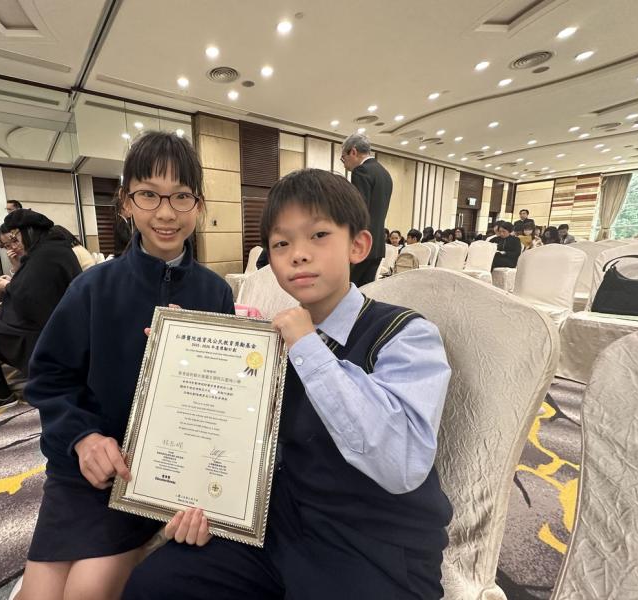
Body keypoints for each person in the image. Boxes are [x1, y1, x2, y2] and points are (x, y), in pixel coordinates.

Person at [125, 168, 453, 599]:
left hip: (376, 544)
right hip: (281, 525)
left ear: (358, 245)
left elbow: (402, 462)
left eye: (319, 235)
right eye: (281, 244)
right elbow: (239, 434)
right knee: (155, 584)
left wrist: (307, 347)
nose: (298, 254)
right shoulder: (268, 340)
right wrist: (186, 358)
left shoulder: (405, 334)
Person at [16, 131, 235, 600]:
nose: (166, 212)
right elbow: (49, 377)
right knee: (40, 594)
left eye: (181, 196)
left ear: (198, 205)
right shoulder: (93, 287)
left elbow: (225, 398)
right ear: (126, 203)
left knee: (87, 589)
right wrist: (83, 437)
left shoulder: (215, 292)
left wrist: (194, 358)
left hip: (158, 473)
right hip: (86, 468)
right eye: (149, 195)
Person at [0, 209, 81, 413]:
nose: (14, 245)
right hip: (55, 321)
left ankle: (0, 393)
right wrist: (13, 283)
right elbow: (33, 288)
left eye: (14, 238)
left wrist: (8, 288)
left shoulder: (44, 255)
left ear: (26, 231)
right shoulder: (52, 248)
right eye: (8, 244)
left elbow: (31, 297)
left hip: (44, 328)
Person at [339, 134, 393, 287]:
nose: (344, 164)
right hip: (377, 245)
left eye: (343, 158)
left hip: (361, 245)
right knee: (366, 291)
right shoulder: (384, 173)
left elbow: (358, 212)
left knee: (348, 290)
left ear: (353, 152)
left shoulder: (361, 171)